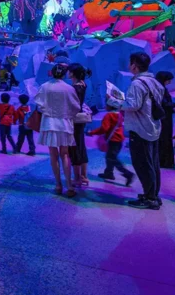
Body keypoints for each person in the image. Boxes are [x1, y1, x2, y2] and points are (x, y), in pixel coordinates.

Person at [118, 52, 165, 210]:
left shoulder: (137, 84)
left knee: (142, 164)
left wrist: (117, 102)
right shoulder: (155, 82)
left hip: (140, 129)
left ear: (134, 65)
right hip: (153, 127)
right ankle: (153, 194)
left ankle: (150, 199)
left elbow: (133, 105)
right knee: (153, 163)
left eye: (130, 62)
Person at [35, 64, 81, 197]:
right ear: (64, 74)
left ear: (52, 73)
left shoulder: (44, 86)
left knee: (53, 155)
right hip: (64, 124)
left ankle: (58, 185)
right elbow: (76, 107)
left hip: (49, 123)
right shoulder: (69, 88)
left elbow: (39, 105)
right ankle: (69, 185)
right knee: (65, 154)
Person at [88, 104, 134, 186]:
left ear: (110, 106)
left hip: (113, 140)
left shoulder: (109, 115)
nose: (105, 106)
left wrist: (92, 132)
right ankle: (109, 173)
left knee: (112, 158)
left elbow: (104, 128)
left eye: (107, 105)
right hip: (119, 140)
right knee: (110, 157)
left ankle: (128, 174)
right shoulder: (119, 114)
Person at [67, 64, 90, 188]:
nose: (67, 73)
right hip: (80, 119)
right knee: (81, 146)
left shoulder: (75, 87)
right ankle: (83, 176)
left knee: (74, 147)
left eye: (69, 71)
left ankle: (77, 178)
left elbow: (73, 105)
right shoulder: (83, 84)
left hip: (74, 120)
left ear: (73, 73)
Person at [156, 71, 175, 169]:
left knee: (165, 139)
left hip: (164, 117)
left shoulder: (160, 89)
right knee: (164, 139)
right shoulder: (160, 89)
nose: (170, 82)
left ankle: (164, 161)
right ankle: (164, 162)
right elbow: (164, 104)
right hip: (164, 119)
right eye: (168, 80)